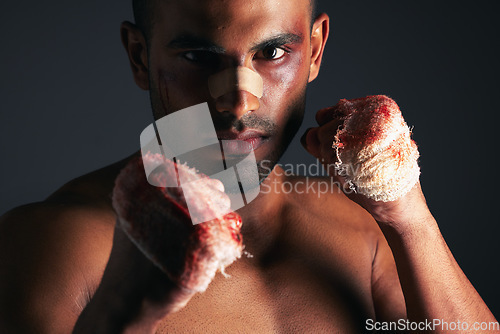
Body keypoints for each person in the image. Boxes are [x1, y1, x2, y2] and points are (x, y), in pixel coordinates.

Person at [0, 0, 498, 333]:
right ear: (140, 57)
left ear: (316, 49)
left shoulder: (366, 232)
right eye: (198, 56)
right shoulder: (54, 243)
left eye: (273, 52)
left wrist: (407, 214)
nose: (239, 102)